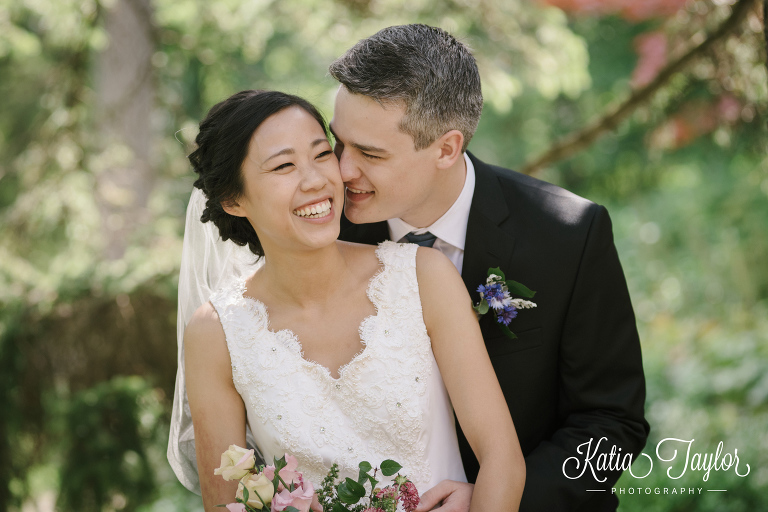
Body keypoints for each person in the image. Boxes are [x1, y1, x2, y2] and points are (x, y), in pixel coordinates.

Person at [328, 24, 650, 511]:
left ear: (446, 148)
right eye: (339, 143)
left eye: (370, 154)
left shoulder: (568, 234)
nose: (342, 170)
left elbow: (611, 423)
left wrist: (497, 500)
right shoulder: (324, 236)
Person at [178, 89, 525, 511]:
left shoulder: (423, 277)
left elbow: (502, 458)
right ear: (233, 199)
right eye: (284, 165)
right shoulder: (216, 333)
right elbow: (226, 504)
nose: (316, 180)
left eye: (322, 154)